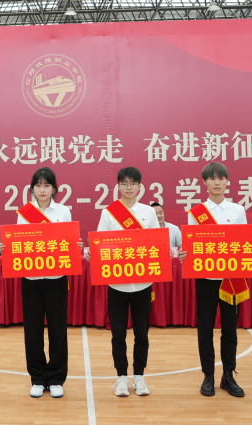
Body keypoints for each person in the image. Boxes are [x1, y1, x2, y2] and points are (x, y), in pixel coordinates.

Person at [0, 167, 71, 399]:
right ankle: (38, 378)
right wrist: (6, 247)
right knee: (33, 330)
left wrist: (74, 245)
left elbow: (66, 242)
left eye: (46, 185)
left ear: (54, 189)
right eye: (38, 185)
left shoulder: (63, 211)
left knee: (58, 329)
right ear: (32, 189)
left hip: (56, 279)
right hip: (31, 279)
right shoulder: (25, 213)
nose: (42, 190)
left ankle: (56, 378)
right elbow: (20, 243)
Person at [92, 166, 158, 398]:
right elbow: (100, 243)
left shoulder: (148, 212)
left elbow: (156, 243)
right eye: (124, 183)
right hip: (117, 284)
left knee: (142, 334)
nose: (129, 187)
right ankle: (121, 377)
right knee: (118, 334)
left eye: (133, 183)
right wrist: (94, 254)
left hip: (143, 283)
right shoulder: (109, 213)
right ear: (118, 186)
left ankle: (139, 376)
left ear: (140, 186)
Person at [184, 162, 247, 398]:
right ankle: (208, 375)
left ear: (227, 181)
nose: (217, 182)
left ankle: (228, 375)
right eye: (212, 178)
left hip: (231, 279)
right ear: (205, 182)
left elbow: (244, 242)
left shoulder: (237, 210)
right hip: (206, 279)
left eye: (221, 178)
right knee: (205, 330)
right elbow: (193, 244)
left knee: (230, 330)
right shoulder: (196, 212)